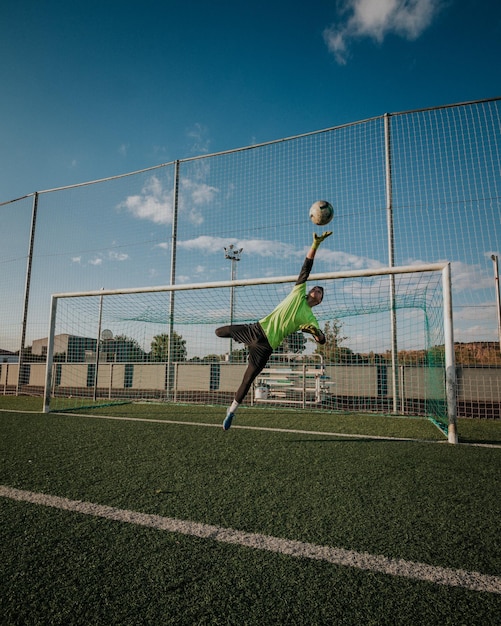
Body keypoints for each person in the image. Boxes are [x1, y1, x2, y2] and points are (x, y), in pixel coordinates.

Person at [215, 231, 332, 430]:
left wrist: (317, 334)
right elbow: (306, 268)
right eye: (315, 288)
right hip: (255, 330)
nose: (316, 290)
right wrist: (315, 244)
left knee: (248, 379)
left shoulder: (311, 318)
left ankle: (231, 411)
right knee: (220, 331)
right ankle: (243, 343)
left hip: (266, 346)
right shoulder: (298, 292)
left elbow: (322, 340)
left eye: (320, 292)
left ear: (319, 301)